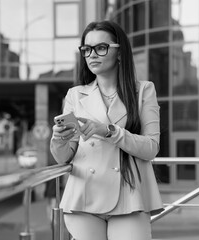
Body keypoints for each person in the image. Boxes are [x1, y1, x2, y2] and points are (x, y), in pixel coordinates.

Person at [50, 20, 163, 240]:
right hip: (84, 197)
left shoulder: (143, 91)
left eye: (101, 48)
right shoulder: (75, 94)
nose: (92, 54)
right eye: (87, 49)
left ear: (120, 53)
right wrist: (58, 140)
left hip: (130, 196)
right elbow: (64, 157)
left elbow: (151, 148)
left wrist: (109, 131)